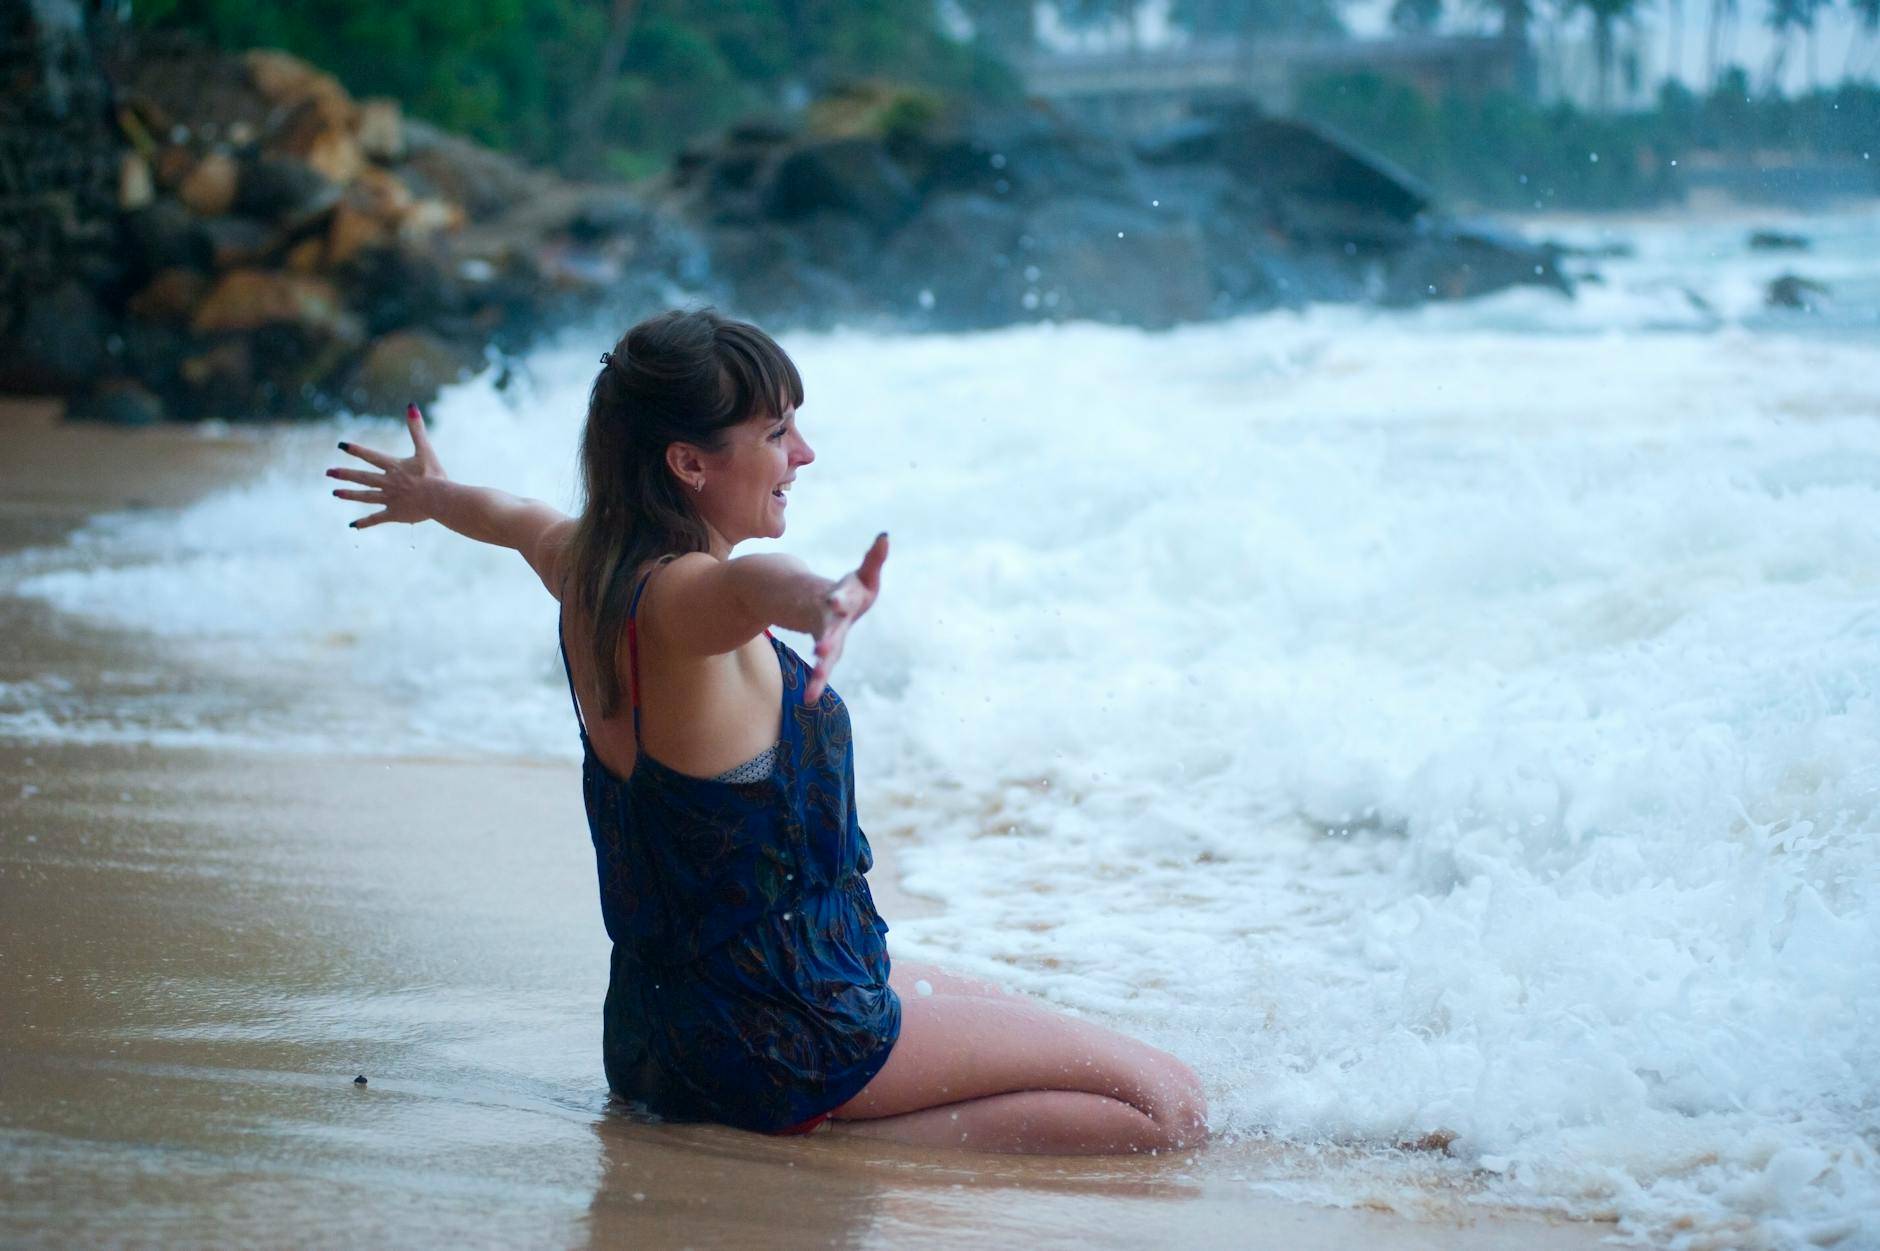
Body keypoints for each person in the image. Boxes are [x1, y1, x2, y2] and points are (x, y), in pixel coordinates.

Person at [326, 308, 1208, 1154]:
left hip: (663, 1033)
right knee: (1170, 1106)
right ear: (689, 463)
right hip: (781, 1036)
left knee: (1052, 1031)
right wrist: (824, 598)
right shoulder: (686, 602)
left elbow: (509, 516)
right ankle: (824, 1154)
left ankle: (795, 1127)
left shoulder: (584, 565)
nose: (804, 453)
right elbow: (755, 587)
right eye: (777, 433)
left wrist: (431, 494)